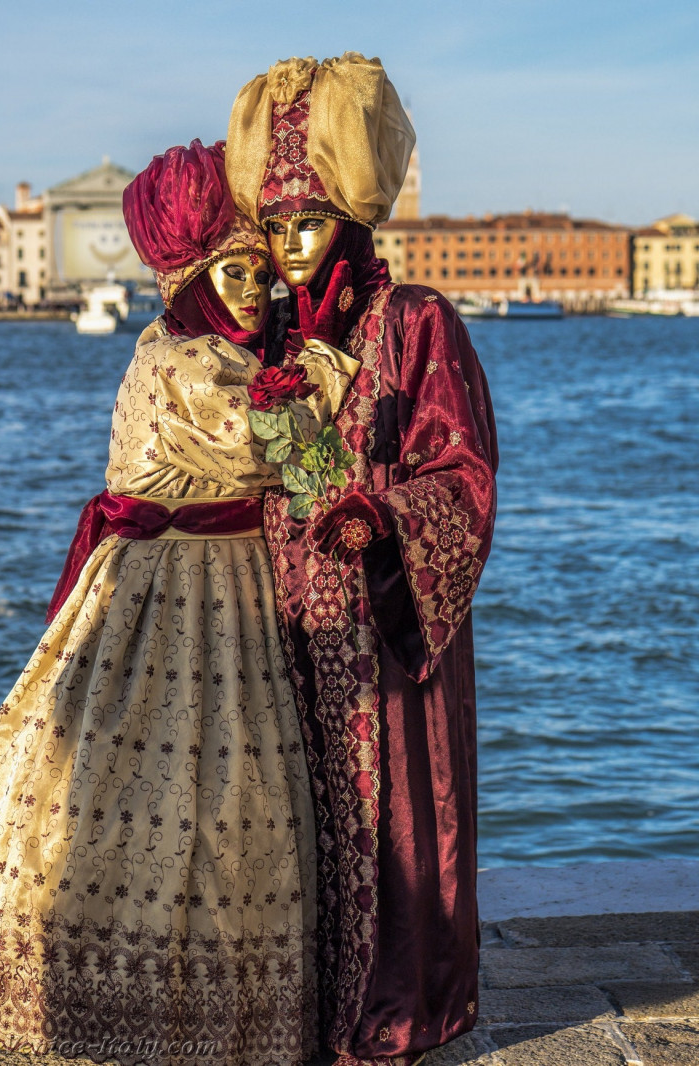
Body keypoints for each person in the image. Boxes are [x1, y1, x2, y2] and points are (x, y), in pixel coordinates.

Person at [0, 139, 359, 1066]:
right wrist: (334, 359)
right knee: (164, 793)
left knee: (231, 798)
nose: (252, 292)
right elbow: (291, 452)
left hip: (231, 585)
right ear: (191, 278)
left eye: (260, 274)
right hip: (171, 593)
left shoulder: (204, 348)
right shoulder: (183, 364)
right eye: (232, 272)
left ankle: (221, 1005)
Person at [225, 55, 499, 1066]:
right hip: (282, 635)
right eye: (273, 228)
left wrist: (378, 518)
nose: (289, 252)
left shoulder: (418, 322)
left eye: (306, 225)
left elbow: (462, 476)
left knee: (390, 827)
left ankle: (393, 1011)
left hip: (384, 644)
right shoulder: (261, 343)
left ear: (346, 219)